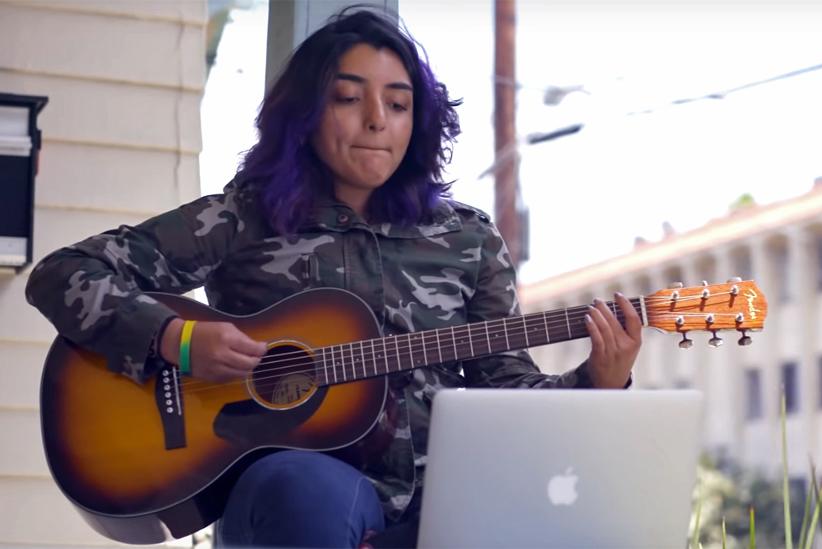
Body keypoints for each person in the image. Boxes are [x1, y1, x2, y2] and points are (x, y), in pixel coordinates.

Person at [25, 7, 641, 548]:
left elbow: (503, 389)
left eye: (398, 104)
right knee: (309, 493)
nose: (378, 120)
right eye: (349, 98)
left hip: (438, 495)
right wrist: (179, 341)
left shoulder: (468, 238)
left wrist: (596, 381)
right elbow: (63, 272)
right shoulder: (242, 218)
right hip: (292, 495)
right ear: (306, 115)